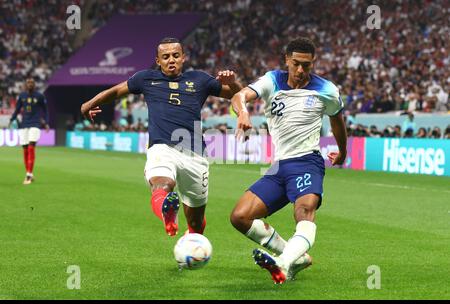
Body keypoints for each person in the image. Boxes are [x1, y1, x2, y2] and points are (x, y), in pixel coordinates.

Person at [81, 37, 242, 237]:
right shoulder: (146, 79)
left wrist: (233, 83)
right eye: (165, 57)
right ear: (158, 61)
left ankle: (192, 239)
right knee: (162, 184)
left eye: (175, 55)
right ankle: (168, 212)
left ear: (184, 57)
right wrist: (89, 102)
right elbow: (116, 91)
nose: (171, 60)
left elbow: (239, 95)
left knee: (196, 222)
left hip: (195, 155)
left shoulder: (199, 80)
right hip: (162, 148)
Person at [229, 38, 347, 284]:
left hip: (307, 161)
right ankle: (296, 257)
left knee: (303, 211)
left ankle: (282, 265)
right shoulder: (272, 80)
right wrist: (243, 111)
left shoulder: (327, 90)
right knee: (240, 217)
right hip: (280, 166)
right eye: (296, 64)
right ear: (286, 60)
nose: (301, 70)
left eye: (307, 65)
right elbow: (240, 95)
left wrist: (343, 151)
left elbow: (337, 121)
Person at [9, 77, 49, 185]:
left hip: (35, 124)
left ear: (34, 85)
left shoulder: (40, 96)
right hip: (24, 124)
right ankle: (28, 172)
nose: (30, 84)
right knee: (25, 149)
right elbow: (17, 109)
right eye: (28, 83)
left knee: (31, 147)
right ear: (26, 85)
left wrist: (46, 122)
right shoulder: (22, 96)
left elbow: (45, 110)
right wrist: (12, 119)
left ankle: (29, 175)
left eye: (32, 82)